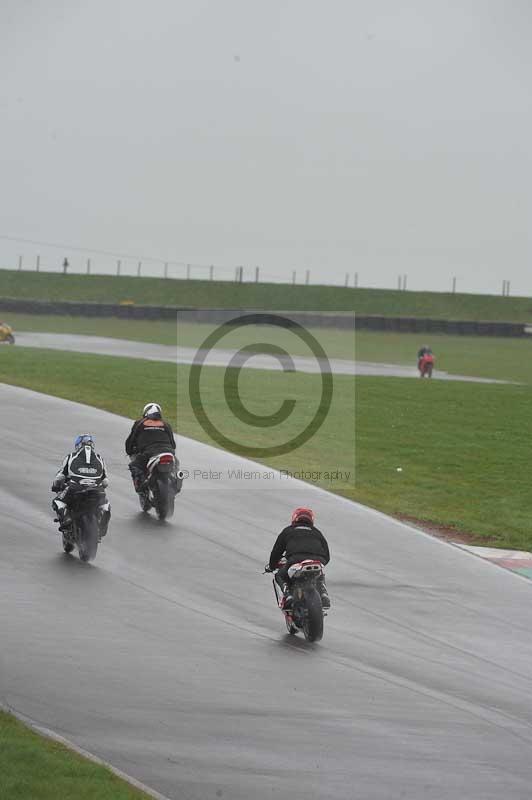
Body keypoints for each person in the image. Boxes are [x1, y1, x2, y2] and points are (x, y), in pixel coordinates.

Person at [268, 507, 331, 609]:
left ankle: (288, 594)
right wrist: (321, 561)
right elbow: (327, 555)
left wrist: (272, 566)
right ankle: (323, 593)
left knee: (279, 575)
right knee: (320, 573)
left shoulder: (288, 530)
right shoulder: (317, 532)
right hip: (317, 560)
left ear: (295, 518)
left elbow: (276, 552)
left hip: (296, 559)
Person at [52, 434, 110, 536]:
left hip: (75, 488)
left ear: (78, 445)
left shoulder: (71, 456)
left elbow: (61, 476)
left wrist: (55, 485)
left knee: (57, 501)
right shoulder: (100, 458)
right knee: (106, 505)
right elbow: (105, 482)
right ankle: (102, 525)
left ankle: (66, 520)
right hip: (96, 489)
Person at [125, 402, 178, 492]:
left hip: (149, 453)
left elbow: (131, 440)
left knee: (134, 465)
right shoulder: (165, 424)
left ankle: (141, 485)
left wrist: (129, 451)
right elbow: (173, 444)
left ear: (146, 412)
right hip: (168, 452)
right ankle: (177, 479)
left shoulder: (140, 423)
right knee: (176, 465)